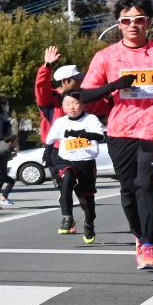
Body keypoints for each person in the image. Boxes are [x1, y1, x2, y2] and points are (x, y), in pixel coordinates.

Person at [72, 0, 153, 269]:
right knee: (129, 190)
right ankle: (139, 236)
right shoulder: (106, 56)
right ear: (118, 24)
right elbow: (83, 95)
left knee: (147, 184)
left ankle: (148, 244)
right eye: (126, 20)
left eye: (139, 19)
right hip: (121, 132)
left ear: (149, 21)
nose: (133, 25)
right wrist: (116, 85)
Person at [44, 89, 105, 243]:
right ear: (63, 107)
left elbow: (101, 136)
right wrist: (46, 154)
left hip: (86, 163)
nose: (72, 107)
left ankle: (89, 223)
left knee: (88, 202)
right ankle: (67, 217)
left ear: (82, 104)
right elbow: (50, 140)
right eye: (67, 104)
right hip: (67, 160)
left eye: (75, 103)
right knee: (67, 180)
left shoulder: (91, 119)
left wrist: (86, 135)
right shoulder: (60, 122)